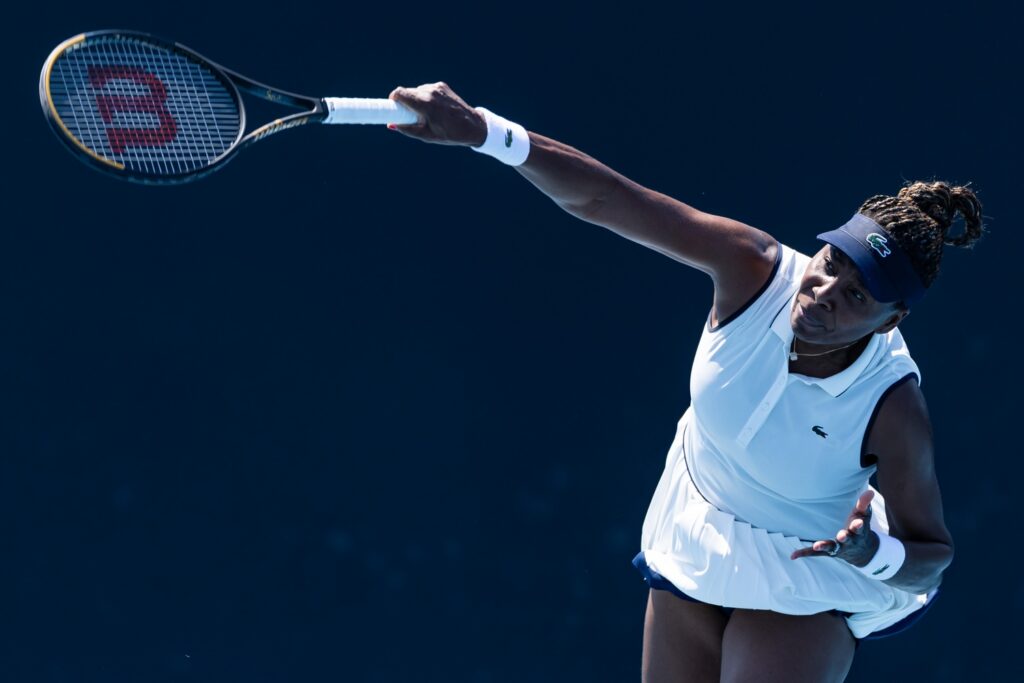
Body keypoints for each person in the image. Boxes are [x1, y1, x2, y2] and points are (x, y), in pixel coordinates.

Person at [385, 82, 984, 683]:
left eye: (856, 295)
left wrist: (872, 554)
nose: (823, 292)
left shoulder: (893, 406)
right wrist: (486, 132)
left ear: (891, 321)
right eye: (831, 263)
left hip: (808, 567)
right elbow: (606, 198)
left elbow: (931, 556)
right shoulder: (753, 269)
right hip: (698, 525)